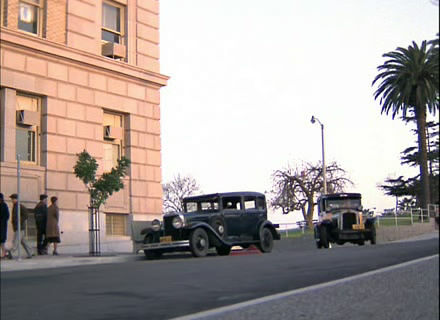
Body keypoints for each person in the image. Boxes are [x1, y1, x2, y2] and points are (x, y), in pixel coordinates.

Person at [9, 194, 33, 259]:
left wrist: (19, 221)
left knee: (16, 241)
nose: (12, 200)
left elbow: (26, 215)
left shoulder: (20, 206)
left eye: (13, 199)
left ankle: (11, 252)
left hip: (20, 227)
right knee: (23, 241)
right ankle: (30, 252)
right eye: (12, 199)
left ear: (16, 199)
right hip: (17, 226)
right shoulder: (15, 206)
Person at [0, 193, 10, 259]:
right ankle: (5, 252)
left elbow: (7, 215)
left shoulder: (4, 205)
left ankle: (4, 253)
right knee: (1, 241)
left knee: (2, 240)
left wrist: (3, 221)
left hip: (2, 226)